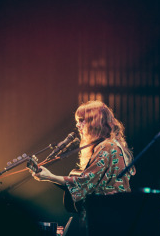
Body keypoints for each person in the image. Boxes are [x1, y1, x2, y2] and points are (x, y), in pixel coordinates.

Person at [29, 100, 136, 234]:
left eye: (81, 120)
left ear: (95, 122)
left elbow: (85, 181)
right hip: (109, 218)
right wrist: (49, 177)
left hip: (105, 220)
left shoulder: (107, 146)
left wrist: (50, 177)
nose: (77, 125)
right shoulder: (108, 145)